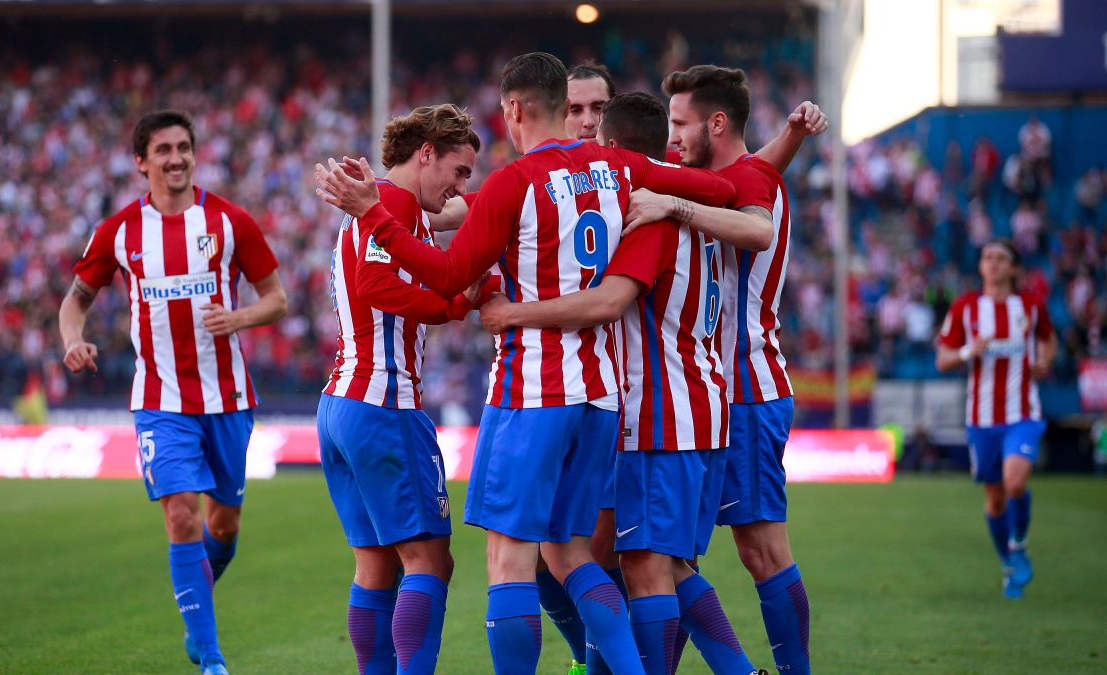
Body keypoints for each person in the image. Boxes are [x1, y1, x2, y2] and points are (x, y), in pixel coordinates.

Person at [316, 52, 737, 675]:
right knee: (570, 554)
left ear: (514, 108)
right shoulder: (620, 165)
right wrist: (675, 205)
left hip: (531, 389)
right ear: (565, 108)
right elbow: (724, 188)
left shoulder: (515, 183)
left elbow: (450, 272)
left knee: (509, 561)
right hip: (600, 395)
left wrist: (372, 214)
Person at [479, 90, 774, 675]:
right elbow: (751, 200)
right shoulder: (701, 211)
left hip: (658, 412)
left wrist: (510, 312)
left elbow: (610, 298)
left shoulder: (650, 218)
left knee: (643, 569)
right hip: (702, 405)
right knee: (663, 565)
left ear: (612, 154)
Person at [60, 110, 288, 675]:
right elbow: (75, 301)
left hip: (229, 399)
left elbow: (277, 299)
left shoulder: (231, 221)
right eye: (162, 150)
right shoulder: (119, 231)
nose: (176, 158)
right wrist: (72, 339)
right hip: (160, 402)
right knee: (181, 517)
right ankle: (210, 656)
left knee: (223, 527)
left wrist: (237, 319)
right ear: (142, 162)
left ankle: (196, 605)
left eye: (183, 147)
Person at [624, 65, 814, 673]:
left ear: (716, 122)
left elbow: (756, 227)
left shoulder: (744, 180)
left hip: (747, 387)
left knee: (761, 551)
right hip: (706, 395)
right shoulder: (726, 177)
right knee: (674, 558)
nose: (671, 136)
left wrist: (672, 206)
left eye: (679, 123)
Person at [317, 103, 491, 675]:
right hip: (383, 402)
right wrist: (451, 307)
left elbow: (462, 218)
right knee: (429, 563)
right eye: (458, 171)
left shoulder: (389, 207)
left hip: (342, 403)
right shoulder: (389, 203)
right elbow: (374, 283)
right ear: (426, 154)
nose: (460, 186)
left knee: (376, 567)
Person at [936, 239, 1056, 599]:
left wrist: (1045, 361)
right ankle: (1008, 565)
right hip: (981, 419)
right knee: (995, 500)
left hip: (1023, 413)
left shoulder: (1031, 307)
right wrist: (968, 351)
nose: (992, 263)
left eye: (1000, 258)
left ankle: (1018, 545)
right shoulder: (965, 308)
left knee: (1014, 482)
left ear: (1014, 268)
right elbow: (942, 360)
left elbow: (1049, 339)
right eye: (987, 257)